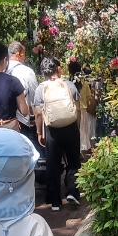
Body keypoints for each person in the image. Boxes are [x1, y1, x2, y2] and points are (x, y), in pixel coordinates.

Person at [32, 57, 81, 212]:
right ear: (58, 69)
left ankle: (54, 201)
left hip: (52, 130)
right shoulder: (69, 85)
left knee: (53, 164)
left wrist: (39, 132)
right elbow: (77, 109)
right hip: (71, 127)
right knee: (73, 162)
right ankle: (72, 192)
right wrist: (76, 127)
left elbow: (38, 114)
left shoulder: (41, 89)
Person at [6, 40, 39, 145]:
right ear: (18, 55)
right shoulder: (27, 71)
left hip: (3, 122)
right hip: (22, 122)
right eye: (24, 54)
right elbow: (35, 99)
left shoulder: (1, 70)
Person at [68, 59, 98, 154]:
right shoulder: (84, 83)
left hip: (71, 109)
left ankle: (74, 150)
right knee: (82, 131)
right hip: (83, 110)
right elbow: (89, 98)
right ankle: (81, 151)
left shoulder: (68, 83)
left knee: (73, 131)